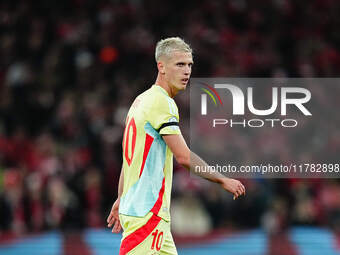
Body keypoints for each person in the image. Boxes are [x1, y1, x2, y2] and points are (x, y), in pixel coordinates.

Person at [106, 37, 246, 255]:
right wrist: (223, 179)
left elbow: (129, 160)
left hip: (149, 214)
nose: (187, 71)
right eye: (180, 64)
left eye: (190, 65)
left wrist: (122, 198)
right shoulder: (163, 103)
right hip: (147, 214)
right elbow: (183, 157)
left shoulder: (140, 101)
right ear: (161, 66)